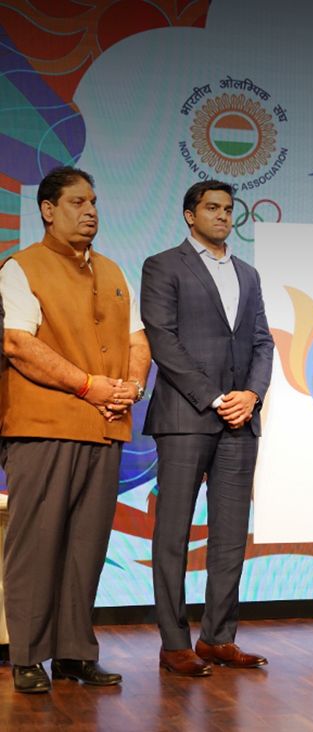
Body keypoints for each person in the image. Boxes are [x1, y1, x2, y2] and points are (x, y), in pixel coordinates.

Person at [0, 166, 150, 693]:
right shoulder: (22, 267)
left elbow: (137, 340)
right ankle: (27, 655)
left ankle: (73, 654)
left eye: (94, 203)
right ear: (48, 210)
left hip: (106, 428)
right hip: (44, 428)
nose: (90, 212)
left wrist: (131, 387)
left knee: (87, 546)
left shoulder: (112, 270)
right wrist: (90, 386)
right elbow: (18, 344)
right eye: (77, 202)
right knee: (37, 543)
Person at [141, 180, 274, 676]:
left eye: (228, 208)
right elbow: (163, 340)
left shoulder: (248, 274)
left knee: (230, 535)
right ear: (189, 215)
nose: (222, 215)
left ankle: (218, 637)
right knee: (173, 533)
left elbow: (262, 342)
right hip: (186, 417)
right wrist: (215, 397)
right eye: (212, 207)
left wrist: (251, 396)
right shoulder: (163, 265)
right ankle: (173, 642)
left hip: (240, 419)